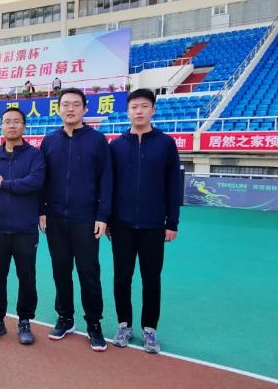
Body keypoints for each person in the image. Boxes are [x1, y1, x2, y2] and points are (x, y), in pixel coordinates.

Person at [108, 89, 181, 354]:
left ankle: (150, 329)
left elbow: (173, 185)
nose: (138, 111)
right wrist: (108, 220)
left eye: (144, 106)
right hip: (122, 226)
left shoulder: (166, 144)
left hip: (153, 225)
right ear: (127, 111)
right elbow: (109, 186)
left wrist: (172, 222)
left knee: (151, 279)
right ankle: (124, 325)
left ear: (153, 110)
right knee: (122, 278)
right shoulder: (116, 146)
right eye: (134, 107)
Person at [39, 87, 112, 352]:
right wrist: (42, 210)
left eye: (76, 104)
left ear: (85, 108)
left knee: (88, 272)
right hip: (55, 218)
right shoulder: (49, 141)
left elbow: (107, 180)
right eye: (65, 104)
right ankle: (65, 318)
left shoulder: (98, 140)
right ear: (58, 109)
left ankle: (94, 323)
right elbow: (42, 180)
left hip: (86, 218)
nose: (70, 109)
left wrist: (102, 216)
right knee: (61, 270)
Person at [0, 107, 45, 345]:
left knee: (27, 276)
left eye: (17, 121)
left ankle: (25, 320)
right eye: (7, 121)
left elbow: (34, 182)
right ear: (1, 126)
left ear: (24, 126)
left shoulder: (35, 155)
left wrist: (4, 183)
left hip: (25, 229)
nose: (12, 125)